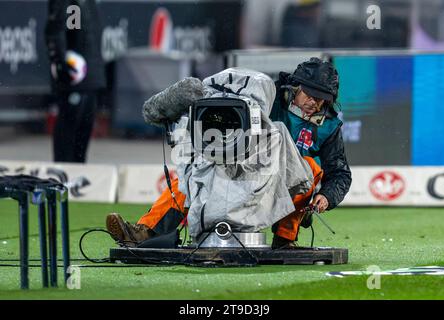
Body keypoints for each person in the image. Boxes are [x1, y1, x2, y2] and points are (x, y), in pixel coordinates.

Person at [106, 57, 352, 249]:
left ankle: (285, 240)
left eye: (322, 100)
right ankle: (143, 232)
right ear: (295, 87)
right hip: (241, 163)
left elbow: (340, 173)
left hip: (283, 182)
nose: (315, 104)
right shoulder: (266, 98)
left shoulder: (329, 126)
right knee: (191, 176)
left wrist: (327, 197)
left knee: (309, 167)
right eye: (310, 96)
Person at [45, 0, 106, 163]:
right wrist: (61, 62)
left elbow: (80, 30)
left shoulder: (87, 5)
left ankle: (76, 175)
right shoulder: (71, 5)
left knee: (81, 139)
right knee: (68, 136)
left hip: (90, 79)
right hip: (75, 81)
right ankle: (64, 176)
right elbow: (58, 30)